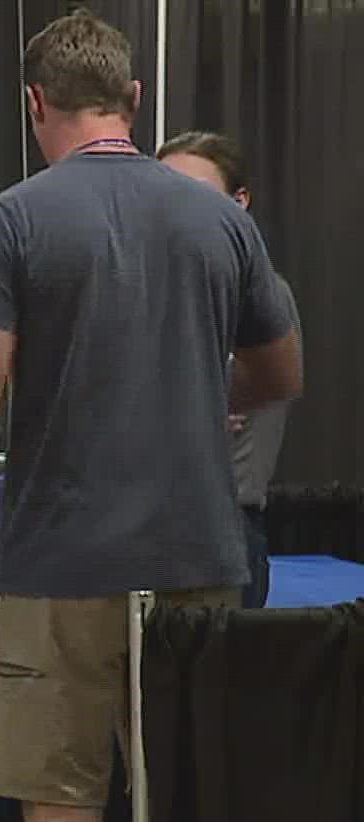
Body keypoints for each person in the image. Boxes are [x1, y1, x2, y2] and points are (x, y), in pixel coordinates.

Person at [0, 10, 301, 822]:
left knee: (58, 806)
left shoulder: (7, 224)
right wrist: (204, 393)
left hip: (62, 560)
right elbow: (280, 374)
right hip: (198, 550)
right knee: (182, 803)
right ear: (134, 100)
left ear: (34, 103)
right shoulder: (221, 220)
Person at [156, 130, 299, 610]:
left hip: (222, 529)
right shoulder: (156, 290)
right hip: (146, 531)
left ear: (239, 202)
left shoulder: (256, 297)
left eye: (194, 195)